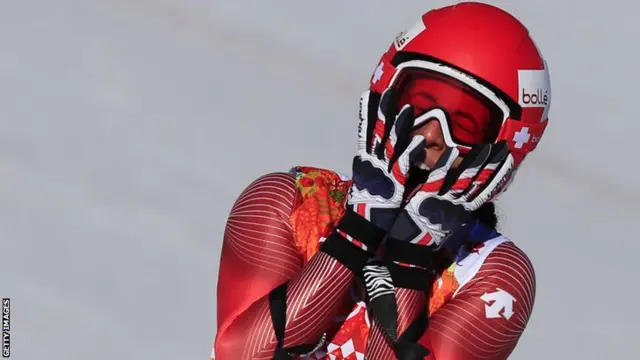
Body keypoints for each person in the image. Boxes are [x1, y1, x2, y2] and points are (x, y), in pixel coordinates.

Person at [210, 2, 549, 359]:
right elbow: (239, 354)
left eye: (463, 125)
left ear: (505, 150)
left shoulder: (495, 274)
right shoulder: (289, 200)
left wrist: (409, 262)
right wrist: (354, 234)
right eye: (418, 105)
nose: (431, 133)